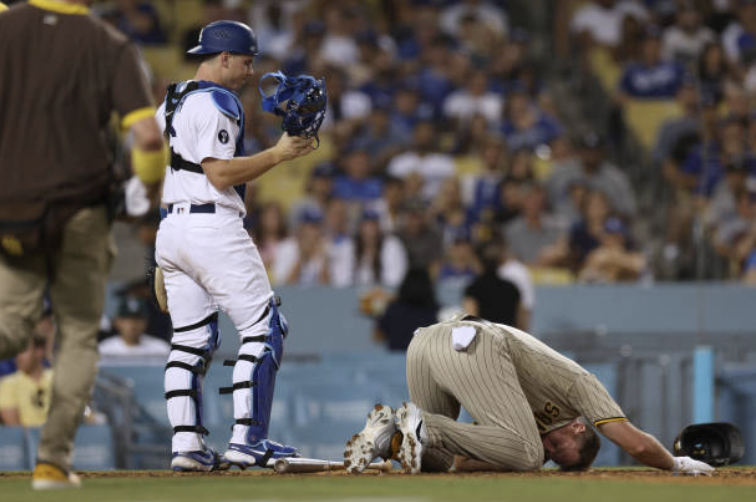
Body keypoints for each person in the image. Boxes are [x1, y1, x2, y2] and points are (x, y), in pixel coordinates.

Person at [0, 0, 164, 489]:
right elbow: (148, 138)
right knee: (75, 334)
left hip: (13, 209)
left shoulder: (5, 30)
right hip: (81, 211)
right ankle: (52, 463)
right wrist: (149, 192)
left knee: (10, 324)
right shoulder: (108, 44)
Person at [154, 20, 315, 473]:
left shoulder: (172, 97)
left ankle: (187, 447)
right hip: (211, 226)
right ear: (223, 57)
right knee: (265, 329)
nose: (249, 71)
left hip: (173, 227)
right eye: (246, 61)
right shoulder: (217, 101)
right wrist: (279, 154)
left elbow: (166, 171)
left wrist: (164, 250)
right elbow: (219, 175)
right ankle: (248, 440)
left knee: (190, 341)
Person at [344, 315, 714, 477]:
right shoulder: (581, 387)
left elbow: (461, 461)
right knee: (526, 453)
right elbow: (631, 442)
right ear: (579, 428)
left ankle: (389, 437)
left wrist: (520, 459)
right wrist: (674, 463)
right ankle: (417, 424)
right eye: (558, 448)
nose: (548, 450)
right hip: (471, 342)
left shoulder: (517, 426)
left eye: (553, 457)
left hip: (424, 344)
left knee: (432, 460)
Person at [0, 336, 53, 427]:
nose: (18, 356)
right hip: (24, 440)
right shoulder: (7, 383)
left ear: (39, 352)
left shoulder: (58, 378)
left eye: (23, 351)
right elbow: (14, 428)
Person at [99, 296, 170, 360]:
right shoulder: (104, 349)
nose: (133, 324)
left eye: (138, 319)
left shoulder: (161, 349)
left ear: (146, 322)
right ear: (117, 322)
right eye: (127, 319)